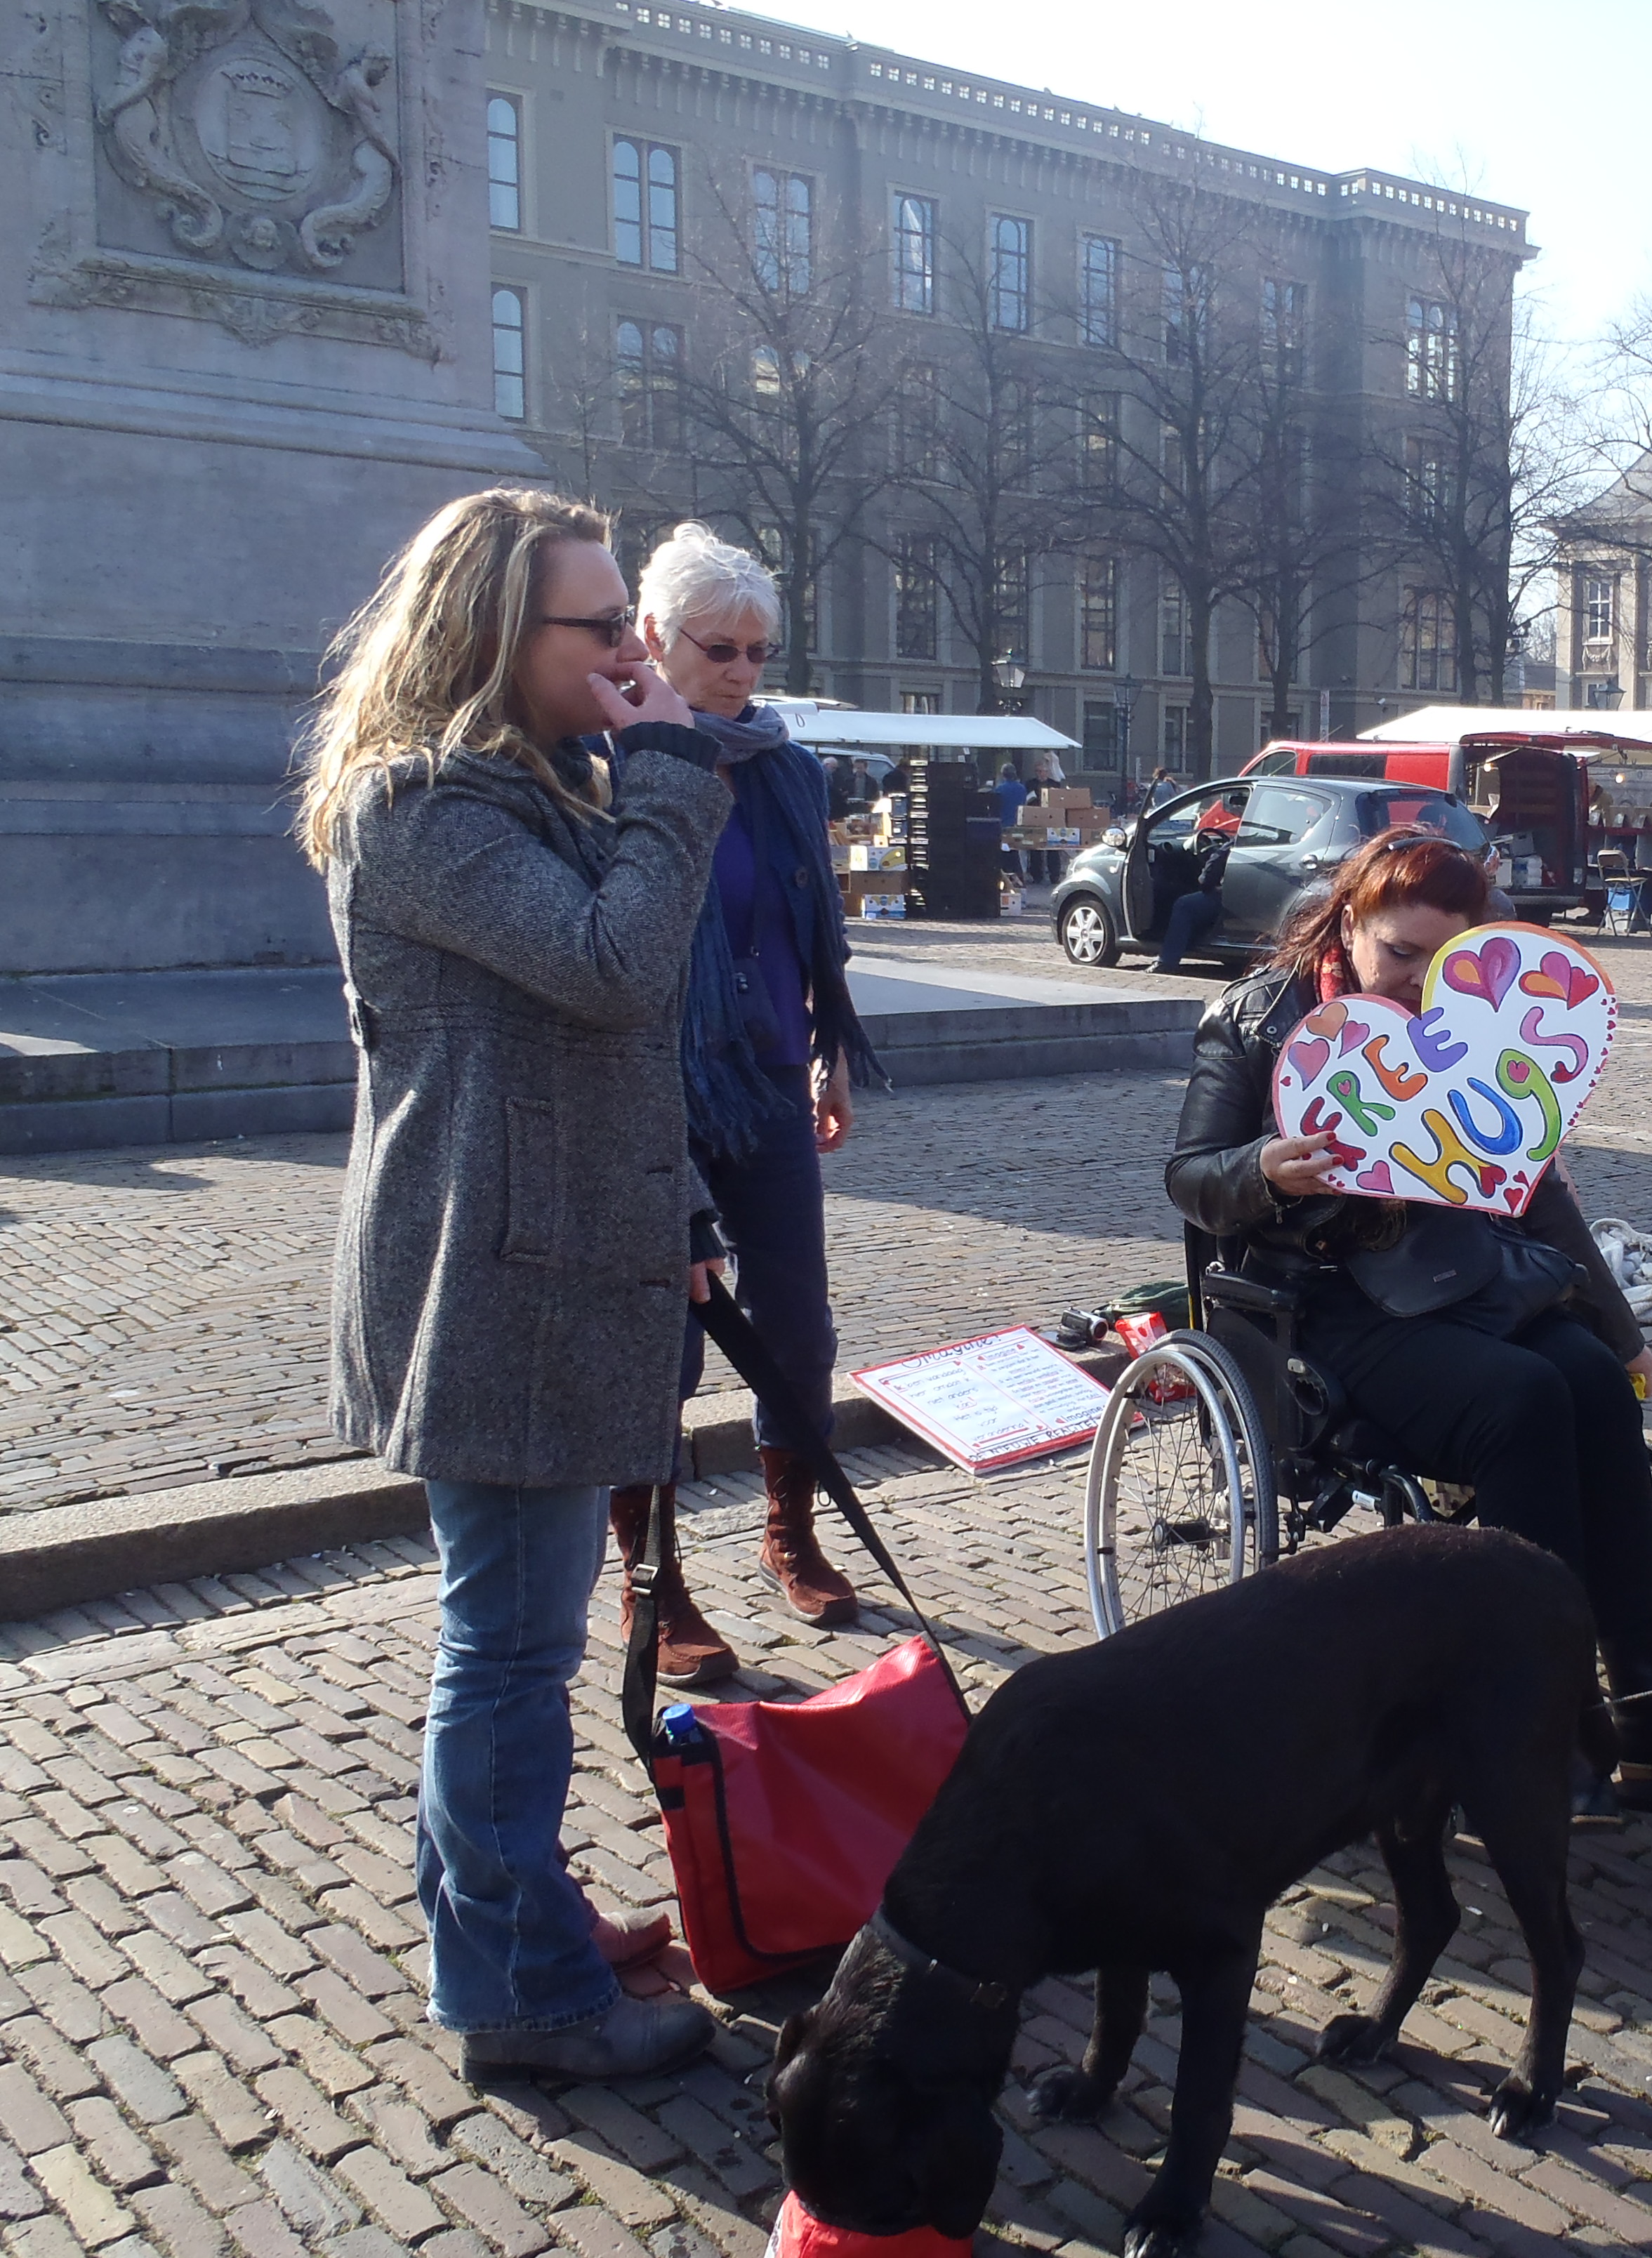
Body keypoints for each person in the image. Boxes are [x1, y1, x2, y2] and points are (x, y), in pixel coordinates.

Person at [296, 487, 723, 2080]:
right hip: (499, 1285)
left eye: (629, 625)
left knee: (511, 1648)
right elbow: (614, 969)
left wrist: (682, 1207)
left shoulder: (531, 791)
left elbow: (600, 1041)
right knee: (510, 1657)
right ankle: (520, 1992)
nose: (632, 654)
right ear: (493, 632)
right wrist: (674, 770)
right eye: (601, 626)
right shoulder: (425, 809)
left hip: (544, 1264)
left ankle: (514, 1920)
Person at [1166, 828, 1652, 1825]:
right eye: (1400, 953)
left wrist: (1619, 1328)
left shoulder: (1473, 1026)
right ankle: (1541, 1717)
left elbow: (1536, 1191)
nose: (1417, 981)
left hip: (1461, 1279)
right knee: (1524, 1398)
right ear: (1350, 921)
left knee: (1593, 1383)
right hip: (1322, 1304)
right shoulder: (1255, 1019)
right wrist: (1265, 1170)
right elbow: (1190, 1176)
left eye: (1442, 960)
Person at [613, 523, 889, 1687]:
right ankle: (654, 1580)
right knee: (659, 1346)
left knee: (799, 1327)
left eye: (758, 652)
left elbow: (811, 925)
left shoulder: (785, 767)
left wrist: (830, 1051)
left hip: (771, 1070)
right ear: (652, 636)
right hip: (652, 1086)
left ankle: (792, 1529)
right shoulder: (612, 763)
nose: (740, 673)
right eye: (716, 648)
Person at [1154, 791, 1243, 972]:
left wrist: (1207, 883)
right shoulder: (1268, 836)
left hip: (1232, 898)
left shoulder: (1241, 839)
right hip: (1252, 896)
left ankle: (1167, 962)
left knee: (1184, 904)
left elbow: (1210, 873)